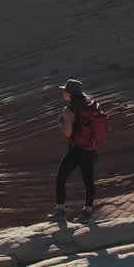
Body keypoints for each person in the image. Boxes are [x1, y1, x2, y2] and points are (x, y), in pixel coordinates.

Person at [49, 78, 97, 222]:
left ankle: (60, 211)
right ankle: (87, 212)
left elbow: (68, 133)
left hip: (76, 150)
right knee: (88, 180)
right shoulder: (90, 105)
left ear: (70, 93)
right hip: (90, 148)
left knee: (60, 178)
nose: (63, 92)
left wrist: (62, 123)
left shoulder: (69, 110)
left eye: (64, 90)